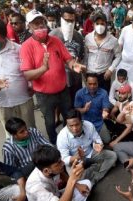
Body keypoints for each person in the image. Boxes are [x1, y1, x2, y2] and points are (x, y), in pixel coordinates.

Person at [20, 9, 85, 144]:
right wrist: (43, 69)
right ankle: (55, 144)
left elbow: (68, 59)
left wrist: (74, 65)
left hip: (63, 90)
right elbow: (27, 75)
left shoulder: (55, 41)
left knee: (69, 117)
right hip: (44, 95)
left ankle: (71, 141)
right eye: (35, 23)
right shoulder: (26, 46)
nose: (40, 26)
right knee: (50, 122)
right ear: (29, 26)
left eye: (41, 22)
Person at [56, 110, 117, 185]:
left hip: (91, 154)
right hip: (75, 162)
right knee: (77, 180)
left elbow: (97, 139)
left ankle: (93, 179)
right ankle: (96, 168)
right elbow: (64, 159)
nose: (74, 128)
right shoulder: (62, 137)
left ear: (82, 122)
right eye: (71, 126)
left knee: (113, 156)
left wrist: (98, 145)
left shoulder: (88, 125)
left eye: (77, 124)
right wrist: (77, 157)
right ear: (66, 125)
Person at [49, 6, 85, 104]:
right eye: (66, 20)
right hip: (59, 80)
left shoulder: (78, 36)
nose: (69, 23)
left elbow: (81, 55)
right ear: (61, 19)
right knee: (61, 107)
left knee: (76, 105)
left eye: (71, 21)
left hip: (75, 79)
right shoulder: (53, 35)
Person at [84, 13, 121, 92]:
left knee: (104, 96)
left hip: (104, 75)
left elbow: (118, 56)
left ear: (106, 25)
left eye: (102, 23)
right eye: (97, 23)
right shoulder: (88, 38)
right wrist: (85, 70)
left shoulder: (113, 40)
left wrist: (111, 69)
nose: (99, 26)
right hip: (90, 73)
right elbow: (86, 55)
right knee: (90, 97)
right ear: (93, 25)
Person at [74, 73, 111, 143]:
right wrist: (84, 109)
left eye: (94, 84)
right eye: (90, 84)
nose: (92, 86)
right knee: (84, 143)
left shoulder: (104, 93)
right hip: (85, 123)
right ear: (86, 83)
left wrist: (105, 112)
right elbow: (76, 110)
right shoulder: (79, 93)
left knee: (107, 140)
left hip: (99, 122)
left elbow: (106, 107)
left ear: (98, 83)